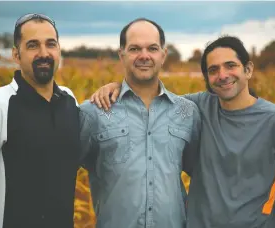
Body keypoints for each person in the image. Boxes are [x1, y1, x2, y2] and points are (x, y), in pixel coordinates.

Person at [89, 36, 275, 228]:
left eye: (231, 66)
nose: (223, 75)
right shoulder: (194, 108)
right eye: (213, 70)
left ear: (248, 69)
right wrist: (117, 86)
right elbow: (152, 99)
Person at [0, 13, 81, 228]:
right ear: (16, 55)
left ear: (59, 50)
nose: (44, 53)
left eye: (51, 44)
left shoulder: (69, 100)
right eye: (32, 45)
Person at [79, 18, 201, 228]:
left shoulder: (187, 112)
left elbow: (201, 176)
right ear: (122, 55)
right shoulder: (93, 112)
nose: (144, 56)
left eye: (152, 48)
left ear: (163, 55)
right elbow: (62, 171)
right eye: (135, 48)